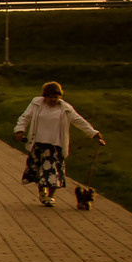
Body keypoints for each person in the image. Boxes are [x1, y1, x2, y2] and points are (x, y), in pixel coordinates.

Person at [13, 79, 103, 207]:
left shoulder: (65, 109)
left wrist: (93, 133)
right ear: (45, 97)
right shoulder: (37, 104)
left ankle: (51, 196)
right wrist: (20, 130)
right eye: (50, 97)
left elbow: (79, 121)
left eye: (55, 97)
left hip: (56, 146)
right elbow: (25, 117)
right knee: (40, 171)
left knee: (53, 172)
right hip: (38, 144)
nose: (53, 99)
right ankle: (42, 192)